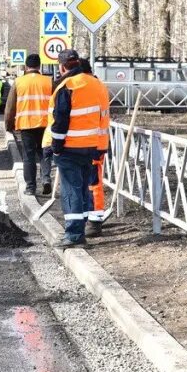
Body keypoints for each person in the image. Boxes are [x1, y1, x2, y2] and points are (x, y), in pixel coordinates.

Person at [45, 50, 109, 248]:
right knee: (82, 189)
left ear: (62, 66)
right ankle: (79, 231)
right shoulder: (96, 83)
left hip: (69, 147)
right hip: (91, 145)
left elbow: (60, 121)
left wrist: (55, 147)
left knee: (71, 190)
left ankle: (73, 235)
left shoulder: (67, 86)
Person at [4, 53, 52, 196]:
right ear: (39, 66)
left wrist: (8, 124)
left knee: (29, 156)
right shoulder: (49, 81)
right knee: (44, 154)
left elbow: (10, 106)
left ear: (26, 66)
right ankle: (46, 179)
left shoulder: (19, 82)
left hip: (26, 125)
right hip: (46, 124)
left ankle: (30, 187)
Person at [79, 58, 111, 237]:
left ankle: (94, 220)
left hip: (89, 143)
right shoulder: (99, 86)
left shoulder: (90, 87)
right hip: (94, 143)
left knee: (92, 183)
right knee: (91, 183)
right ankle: (91, 219)